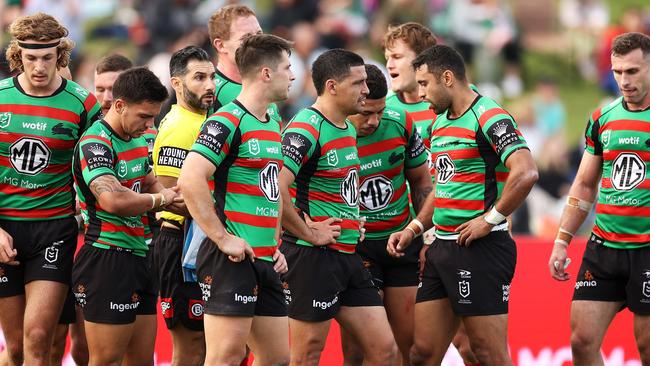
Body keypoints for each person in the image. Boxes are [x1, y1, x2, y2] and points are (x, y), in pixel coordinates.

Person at [388, 45, 538, 366]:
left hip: (480, 247)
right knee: (422, 354)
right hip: (441, 249)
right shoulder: (438, 124)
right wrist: (415, 228)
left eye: (425, 84)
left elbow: (526, 172)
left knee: (488, 353)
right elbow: (443, 188)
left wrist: (490, 219)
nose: (421, 92)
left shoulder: (489, 115)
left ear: (447, 78)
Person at [177, 33, 292, 366]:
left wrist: (275, 243)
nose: (293, 75)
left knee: (276, 358)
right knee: (225, 357)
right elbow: (190, 179)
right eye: (287, 67)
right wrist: (223, 237)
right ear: (266, 73)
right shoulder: (227, 120)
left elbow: (268, 189)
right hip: (231, 259)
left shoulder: (273, 122)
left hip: (266, 257)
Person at [279, 49, 396, 366]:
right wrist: (308, 231)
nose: (366, 90)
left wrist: (350, 218)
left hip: (348, 255)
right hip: (311, 257)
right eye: (358, 83)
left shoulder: (346, 127)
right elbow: (274, 184)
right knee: (307, 355)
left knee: (385, 351)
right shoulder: (306, 127)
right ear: (331, 86)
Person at [0, 13, 101, 366]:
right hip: (5, 230)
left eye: (47, 57)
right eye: (31, 58)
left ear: (60, 55)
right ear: (18, 55)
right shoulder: (0, 97)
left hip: (54, 230)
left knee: (39, 338)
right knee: (14, 349)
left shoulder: (83, 104)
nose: (39, 66)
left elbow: (98, 162)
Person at [548, 32, 650, 366]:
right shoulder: (602, 118)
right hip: (603, 247)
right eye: (618, 72)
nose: (623, 80)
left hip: (646, 248)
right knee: (581, 340)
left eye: (632, 72)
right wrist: (562, 240)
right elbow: (584, 185)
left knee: (647, 348)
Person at [383, 21, 479, 364]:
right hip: (400, 239)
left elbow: (497, 168)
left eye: (397, 56)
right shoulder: (381, 110)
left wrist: (498, 218)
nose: (390, 65)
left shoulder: (459, 102)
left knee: (471, 342)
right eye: (386, 57)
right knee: (403, 346)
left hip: (451, 235)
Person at [71, 67, 181, 366]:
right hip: (107, 257)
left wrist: (179, 201)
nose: (150, 125)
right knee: (107, 360)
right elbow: (112, 200)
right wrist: (161, 199)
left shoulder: (135, 138)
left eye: (153, 117)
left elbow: (149, 181)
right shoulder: (96, 143)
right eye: (144, 116)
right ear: (119, 106)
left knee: (142, 361)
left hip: (142, 254)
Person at [341, 64, 431, 366]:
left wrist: (425, 234)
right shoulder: (329, 131)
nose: (374, 121)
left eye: (379, 111)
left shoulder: (400, 122)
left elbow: (421, 182)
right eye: (366, 113)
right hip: (357, 247)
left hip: (401, 242)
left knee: (412, 350)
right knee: (361, 351)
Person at [152, 45, 215, 366]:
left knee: (213, 346)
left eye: (212, 77)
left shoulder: (206, 121)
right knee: (191, 349)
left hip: (204, 240)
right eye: (199, 77)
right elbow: (172, 196)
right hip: (180, 241)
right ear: (176, 84)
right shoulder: (180, 127)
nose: (209, 85)